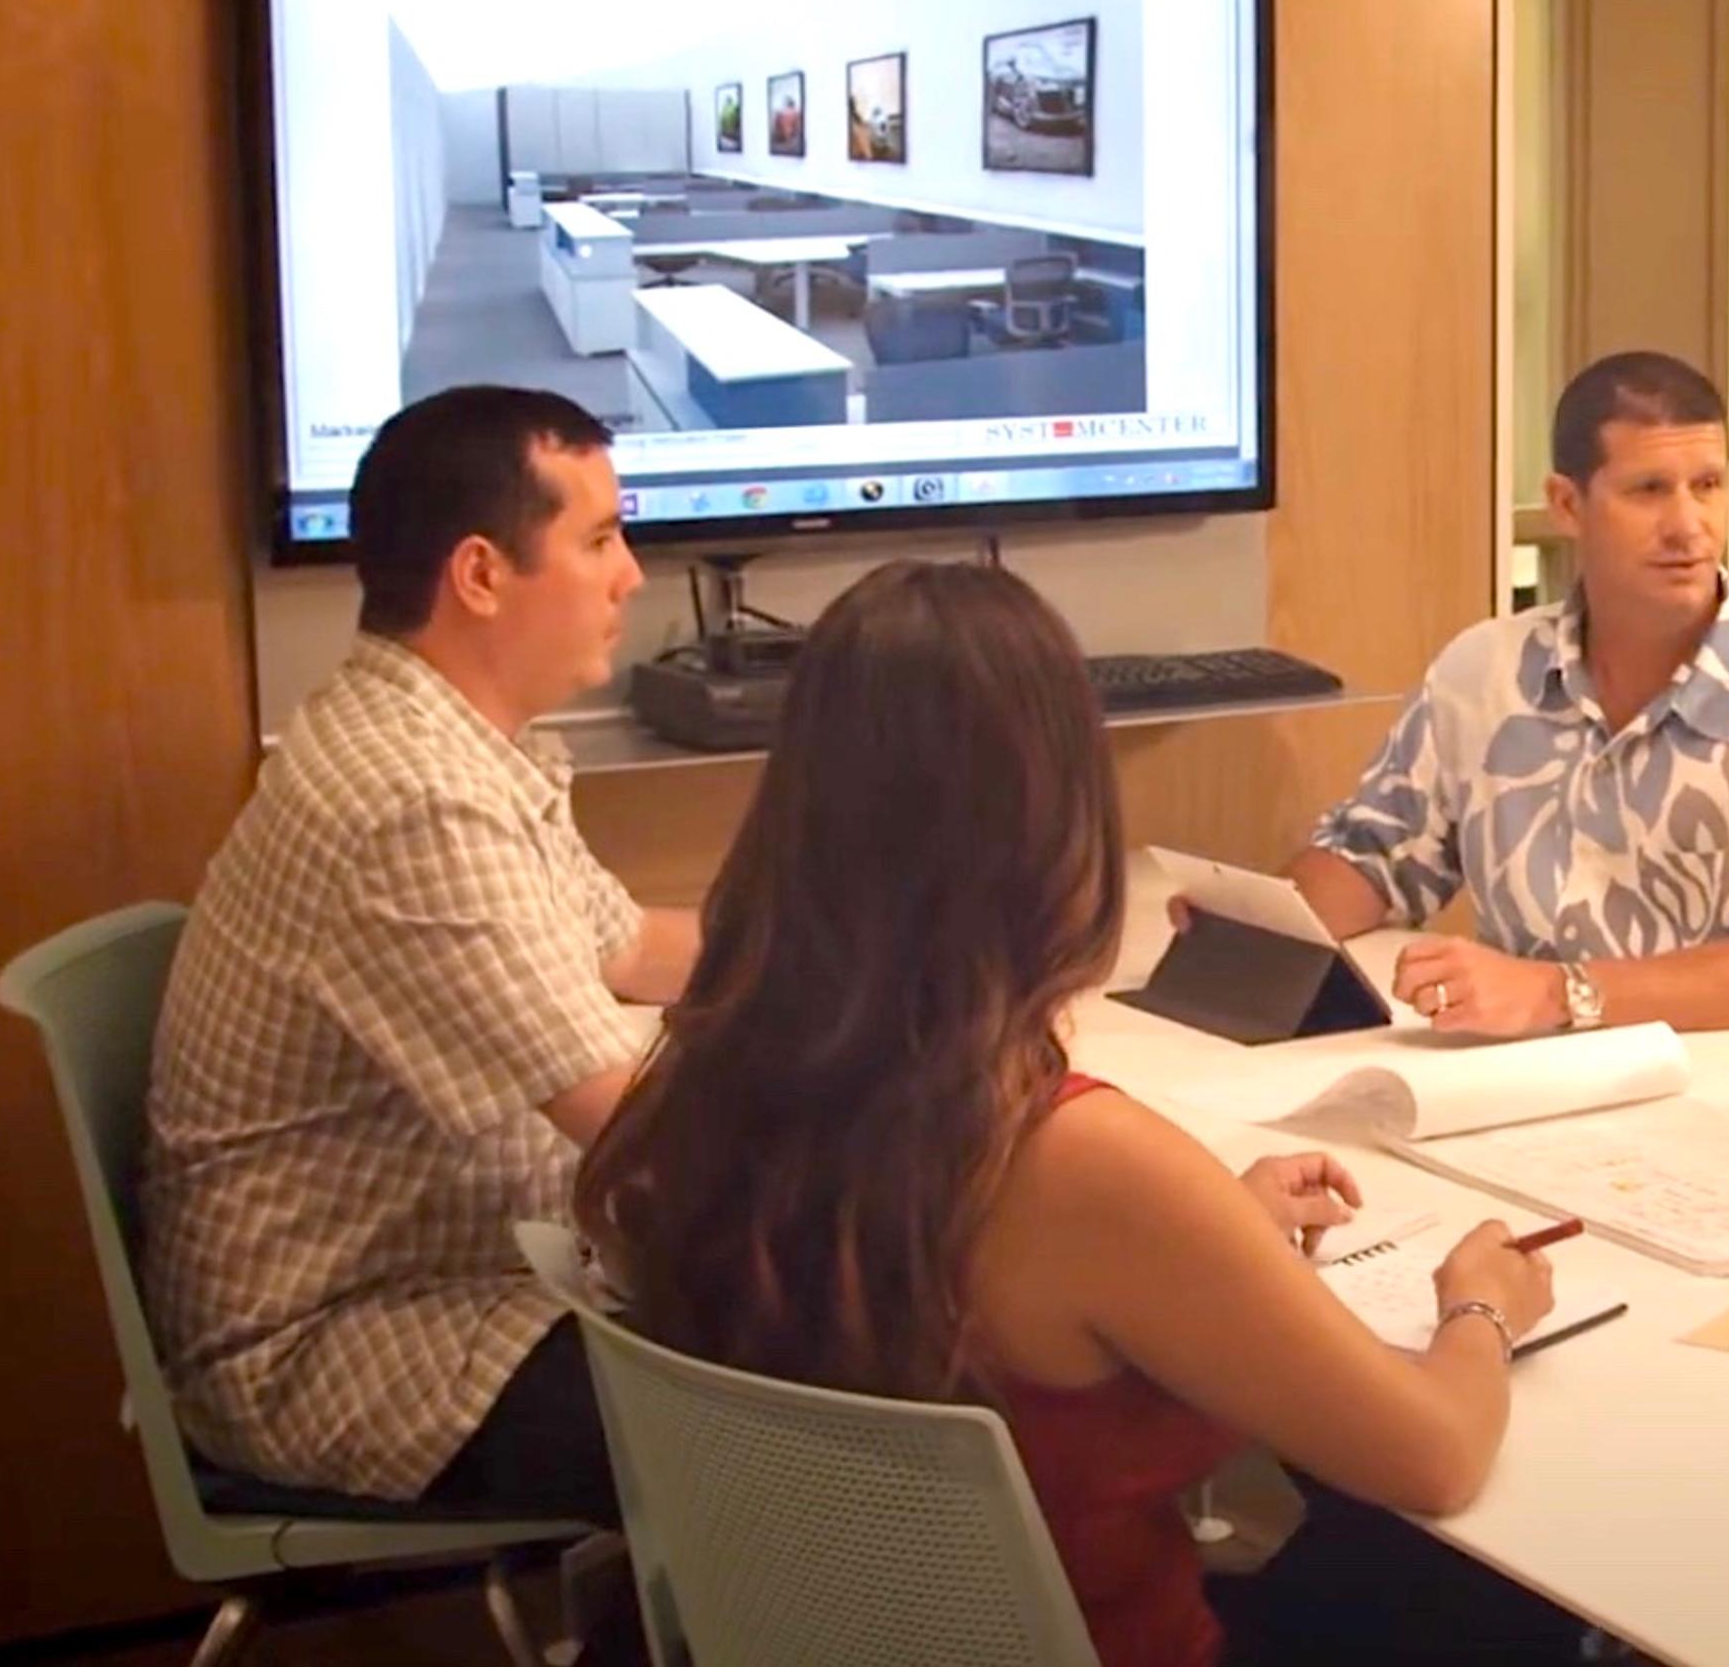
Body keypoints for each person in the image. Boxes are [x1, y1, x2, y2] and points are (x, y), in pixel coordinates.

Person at [577, 560, 1574, 1667]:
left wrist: (1208, 1234)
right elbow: (1434, 1452)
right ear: (1059, 813)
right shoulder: (1069, 1159)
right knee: (1503, 1601)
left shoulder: (699, 1081)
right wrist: (1480, 1310)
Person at [144, 385, 700, 1521]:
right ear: (483, 574)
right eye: (598, 538)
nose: (631, 574)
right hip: (356, 1343)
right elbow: (648, 1133)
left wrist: (876, 944)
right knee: (837, 1399)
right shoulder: (410, 800)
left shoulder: (453, 745)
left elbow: (635, 949)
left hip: (474, 1275)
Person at [1283, 351, 1729, 1036]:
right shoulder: (1484, 671)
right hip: (1530, 1084)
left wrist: (1555, 994)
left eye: (1708, 484)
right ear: (1567, 504)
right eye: (1649, 490)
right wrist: (1251, 927)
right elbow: (1372, 858)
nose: (1689, 524)